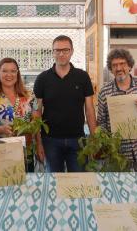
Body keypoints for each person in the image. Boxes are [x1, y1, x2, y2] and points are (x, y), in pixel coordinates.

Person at [34, 35, 96, 172]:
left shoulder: (83, 77)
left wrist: (94, 138)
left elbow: (90, 109)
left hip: (78, 140)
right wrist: (38, 142)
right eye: (57, 50)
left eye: (65, 50)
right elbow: (36, 112)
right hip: (50, 141)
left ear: (72, 51)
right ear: (52, 52)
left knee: (79, 183)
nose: (61, 54)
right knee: (53, 183)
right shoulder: (42, 79)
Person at [97, 49, 137, 171]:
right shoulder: (104, 92)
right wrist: (107, 142)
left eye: (122, 64)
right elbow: (101, 122)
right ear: (111, 69)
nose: (119, 68)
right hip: (118, 155)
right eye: (114, 65)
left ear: (130, 66)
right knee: (119, 188)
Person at [0, 57, 39, 172]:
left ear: (17, 74)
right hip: (1, 150)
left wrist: (29, 128)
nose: (9, 74)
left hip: (25, 149)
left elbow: (36, 121)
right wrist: (2, 129)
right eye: (5, 71)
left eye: (13, 71)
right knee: (2, 187)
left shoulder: (29, 96)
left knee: (25, 187)